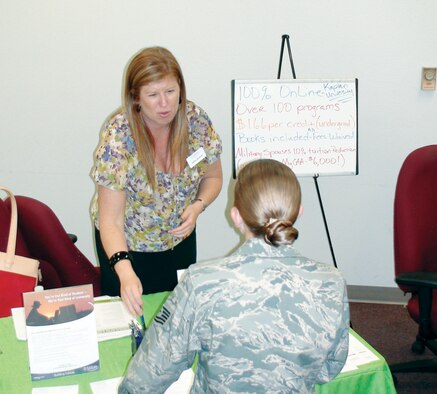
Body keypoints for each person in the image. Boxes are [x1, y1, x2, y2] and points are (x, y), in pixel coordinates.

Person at [118, 159, 350, 394]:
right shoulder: (331, 282)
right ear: (298, 212)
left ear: (236, 216)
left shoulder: (202, 283)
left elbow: (150, 373)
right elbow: (328, 369)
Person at [90, 47, 223, 316]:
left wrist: (198, 205)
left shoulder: (196, 122)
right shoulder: (119, 139)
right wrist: (124, 272)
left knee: (176, 318)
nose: (164, 104)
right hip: (127, 248)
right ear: (136, 97)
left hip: (179, 243)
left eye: (170, 92)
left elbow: (213, 176)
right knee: (130, 324)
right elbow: (110, 222)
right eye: (152, 95)